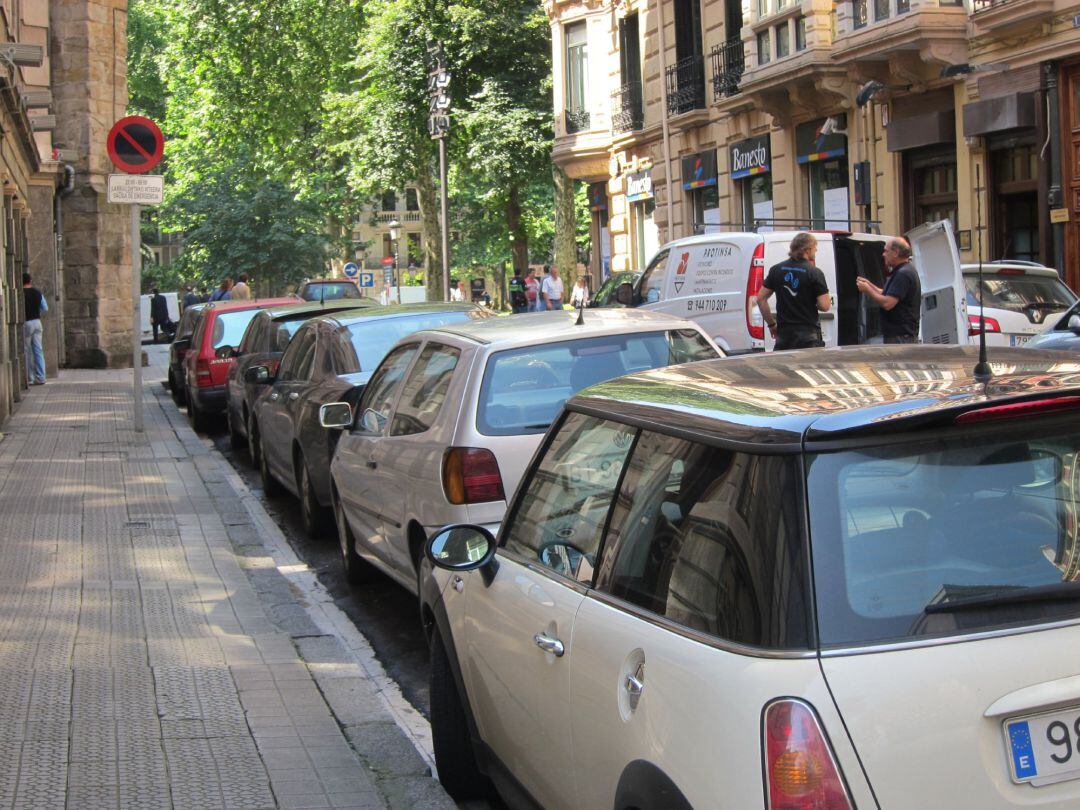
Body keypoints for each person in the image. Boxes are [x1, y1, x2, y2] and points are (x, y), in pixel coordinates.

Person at [756, 232, 831, 350]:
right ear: (808, 249)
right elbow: (825, 306)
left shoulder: (776, 270)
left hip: (784, 336)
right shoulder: (815, 273)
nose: (816, 252)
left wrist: (771, 324)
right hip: (808, 336)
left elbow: (760, 299)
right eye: (815, 249)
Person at [856, 237, 921, 344]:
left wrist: (867, 290)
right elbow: (888, 294)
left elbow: (888, 303)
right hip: (900, 336)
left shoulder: (903, 274)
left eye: (886, 251)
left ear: (895, 253)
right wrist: (869, 285)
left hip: (901, 338)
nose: (883, 254)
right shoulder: (903, 270)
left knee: (897, 361)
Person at [22, 273, 47, 385]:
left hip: (26, 323)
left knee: (27, 351)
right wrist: (36, 312)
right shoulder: (37, 293)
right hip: (37, 322)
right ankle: (41, 377)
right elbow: (45, 308)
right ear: (30, 281)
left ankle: (30, 378)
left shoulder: (20, 293)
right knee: (38, 350)